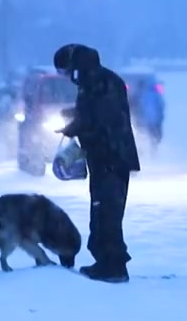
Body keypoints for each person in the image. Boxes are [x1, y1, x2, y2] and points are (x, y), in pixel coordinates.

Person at [53, 44, 141, 283]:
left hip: (112, 156)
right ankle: (105, 261)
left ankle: (114, 266)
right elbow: (92, 113)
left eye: (65, 72)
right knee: (101, 209)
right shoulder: (94, 81)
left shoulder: (99, 82)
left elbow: (102, 119)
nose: (67, 78)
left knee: (107, 211)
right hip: (103, 156)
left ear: (73, 65)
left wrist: (77, 127)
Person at [135, 78, 165, 152]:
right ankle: (153, 150)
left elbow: (138, 109)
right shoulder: (155, 96)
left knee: (143, 136)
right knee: (155, 137)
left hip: (146, 121)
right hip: (154, 120)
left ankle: (143, 151)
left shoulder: (141, 96)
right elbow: (161, 107)